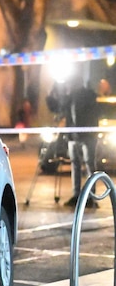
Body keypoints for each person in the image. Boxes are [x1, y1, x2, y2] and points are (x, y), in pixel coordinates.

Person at [55, 75, 100, 209]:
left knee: (88, 163)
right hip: (74, 135)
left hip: (86, 134)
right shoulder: (70, 97)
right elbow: (61, 109)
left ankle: (91, 196)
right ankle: (77, 195)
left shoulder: (88, 95)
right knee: (77, 164)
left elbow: (87, 114)